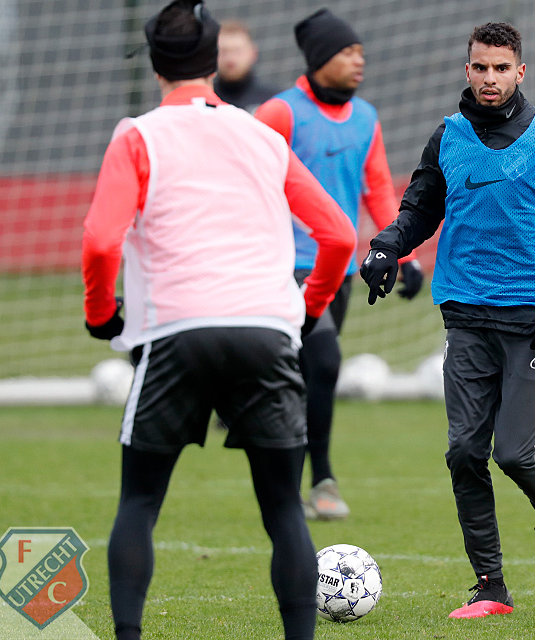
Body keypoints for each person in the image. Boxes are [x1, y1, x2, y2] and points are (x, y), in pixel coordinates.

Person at [81, 2, 356, 639]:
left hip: (175, 332)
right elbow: (340, 234)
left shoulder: (137, 136)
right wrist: (308, 310)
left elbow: (99, 242)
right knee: (284, 509)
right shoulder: (263, 136)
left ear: (156, 67)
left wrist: (101, 315)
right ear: (213, 64)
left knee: (140, 501)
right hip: (266, 328)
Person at [359, 22, 535, 618]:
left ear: (520, 72)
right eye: (480, 67)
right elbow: (420, 209)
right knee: (464, 453)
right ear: (467, 70)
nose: (490, 78)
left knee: (514, 453)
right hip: (467, 314)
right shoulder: (448, 137)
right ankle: (490, 587)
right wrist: (386, 247)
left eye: (501, 68)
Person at [255, 8, 424, 521]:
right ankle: (322, 480)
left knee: (309, 377)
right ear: (320, 57)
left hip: (340, 270)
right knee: (324, 361)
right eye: (348, 52)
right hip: (283, 268)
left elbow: (378, 189)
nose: (359, 61)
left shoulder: (366, 117)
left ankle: (287, 480)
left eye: (361, 53)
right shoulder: (279, 114)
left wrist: (404, 254)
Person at [213, 20, 278, 112]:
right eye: (224, 52)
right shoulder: (204, 101)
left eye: (237, 51)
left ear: (253, 53)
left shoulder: (273, 100)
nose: (231, 59)